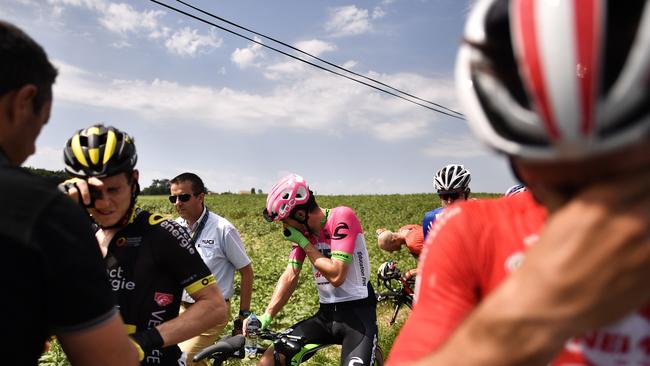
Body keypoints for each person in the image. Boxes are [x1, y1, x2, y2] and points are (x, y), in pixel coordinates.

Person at [388, 0, 650, 365]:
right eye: (554, 187)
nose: (585, 208)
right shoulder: (467, 231)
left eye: (616, 174)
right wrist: (540, 307)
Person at [0, 21, 138, 365]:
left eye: (114, 189)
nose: (31, 150)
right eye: (39, 124)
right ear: (24, 101)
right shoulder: (43, 213)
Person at [61, 124, 228, 365]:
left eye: (114, 189)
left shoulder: (162, 233)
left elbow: (214, 307)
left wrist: (143, 342)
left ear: (133, 180)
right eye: (96, 192)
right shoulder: (81, 234)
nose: (105, 203)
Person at [249, 173, 378, 366]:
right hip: (326, 315)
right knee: (269, 360)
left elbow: (337, 275)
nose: (285, 229)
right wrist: (267, 315)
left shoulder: (342, 216)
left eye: (285, 221)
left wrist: (304, 243)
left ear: (300, 214)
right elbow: (290, 274)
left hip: (358, 314)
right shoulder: (306, 233)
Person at [169, 172, 254, 366]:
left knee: (182, 358)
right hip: (181, 308)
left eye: (183, 197)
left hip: (212, 309)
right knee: (182, 357)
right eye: (173, 198)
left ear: (200, 197)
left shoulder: (222, 229)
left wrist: (243, 316)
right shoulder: (174, 227)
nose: (177, 203)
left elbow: (247, 272)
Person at [422, 164, 471, 239]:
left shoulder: (481, 217)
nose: (449, 201)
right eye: (444, 196)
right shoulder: (431, 219)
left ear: (466, 194)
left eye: (454, 195)